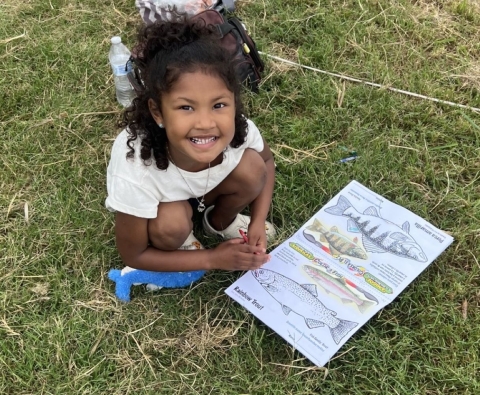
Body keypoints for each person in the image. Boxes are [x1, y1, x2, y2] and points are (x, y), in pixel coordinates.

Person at [105, 19, 276, 272]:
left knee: (252, 167)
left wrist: (258, 221)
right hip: (166, 208)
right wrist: (212, 259)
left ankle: (219, 222)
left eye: (219, 105)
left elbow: (266, 162)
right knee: (169, 224)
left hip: (210, 191)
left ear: (234, 101)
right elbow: (134, 254)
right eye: (186, 107)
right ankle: (183, 242)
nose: (206, 123)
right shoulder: (137, 167)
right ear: (158, 111)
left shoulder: (239, 130)